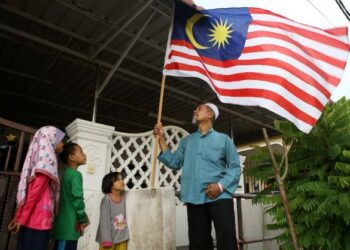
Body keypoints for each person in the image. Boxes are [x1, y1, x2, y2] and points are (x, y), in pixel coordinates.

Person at [154, 103, 241, 250]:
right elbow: (175, 162)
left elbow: (234, 167)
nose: (195, 111)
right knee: (198, 243)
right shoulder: (187, 141)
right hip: (194, 197)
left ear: (210, 114)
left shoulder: (224, 139)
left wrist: (220, 186)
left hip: (220, 197)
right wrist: (161, 139)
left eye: (199, 108)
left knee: (227, 240)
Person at [7, 126, 65, 250]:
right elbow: (35, 193)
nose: (62, 143)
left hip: (31, 219)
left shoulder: (39, 161)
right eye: (60, 139)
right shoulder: (45, 164)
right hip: (37, 222)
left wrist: (20, 217)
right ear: (50, 140)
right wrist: (20, 219)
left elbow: (31, 194)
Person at [52, 142, 90, 250]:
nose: (84, 155)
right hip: (68, 229)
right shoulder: (75, 174)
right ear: (72, 157)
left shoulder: (67, 173)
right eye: (81, 152)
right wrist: (83, 219)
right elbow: (77, 199)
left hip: (64, 226)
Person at [96, 172, 130, 250]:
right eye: (118, 180)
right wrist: (106, 240)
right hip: (108, 240)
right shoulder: (106, 200)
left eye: (122, 179)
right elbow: (104, 222)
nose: (122, 181)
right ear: (109, 184)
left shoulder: (124, 198)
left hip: (122, 238)